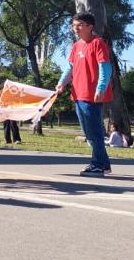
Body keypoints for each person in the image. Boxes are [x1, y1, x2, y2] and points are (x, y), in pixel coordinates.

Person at [56, 13, 113, 178]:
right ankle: (103, 164)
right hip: (78, 94)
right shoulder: (76, 46)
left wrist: (100, 88)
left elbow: (105, 68)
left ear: (90, 26)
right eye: (74, 25)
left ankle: (97, 165)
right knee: (88, 132)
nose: (75, 28)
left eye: (79, 25)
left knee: (94, 132)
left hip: (92, 95)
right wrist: (62, 82)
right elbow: (69, 68)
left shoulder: (98, 43)